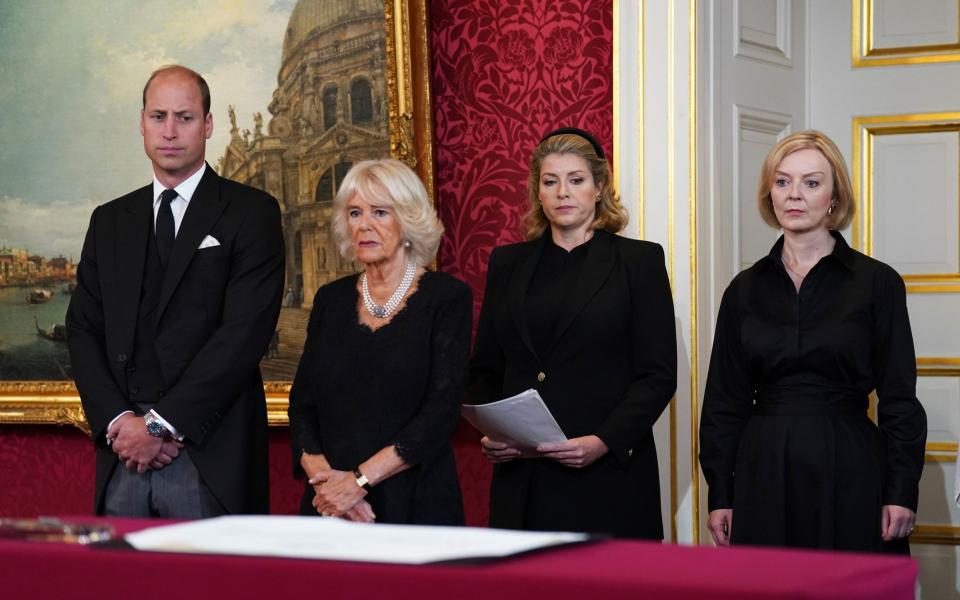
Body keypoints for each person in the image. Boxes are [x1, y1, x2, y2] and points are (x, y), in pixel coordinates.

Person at [66, 65, 285, 517]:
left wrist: (161, 426)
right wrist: (121, 423)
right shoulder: (108, 221)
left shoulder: (252, 212)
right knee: (116, 587)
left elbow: (243, 334)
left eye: (184, 117)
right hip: (122, 451)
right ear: (142, 124)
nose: (170, 131)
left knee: (209, 588)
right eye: (158, 116)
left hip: (208, 450)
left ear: (207, 125)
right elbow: (83, 330)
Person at [699, 130, 927, 553]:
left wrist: (901, 489)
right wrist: (720, 495)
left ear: (834, 196)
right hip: (762, 468)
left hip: (851, 463)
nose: (794, 195)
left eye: (811, 182)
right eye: (782, 182)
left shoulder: (877, 283)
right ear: (770, 193)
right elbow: (723, 403)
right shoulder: (743, 290)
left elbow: (899, 399)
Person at [468, 128, 677, 538]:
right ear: (538, 193)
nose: (563, 192)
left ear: (599, 188)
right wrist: (493, 433)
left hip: (608, 476)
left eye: (576, 180)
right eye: (550, 182)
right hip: (524, 479)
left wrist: (602, 441)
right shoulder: (508, 264)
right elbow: (485, 369)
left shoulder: (639, 262)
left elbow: (657, 375)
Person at [288, 158, 471, 524]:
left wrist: (358, 482)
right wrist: (329, 485)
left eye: (380, 212)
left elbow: (440, 413)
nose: (364, 225)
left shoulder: (447, 298)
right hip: (330, 506)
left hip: (415, 502)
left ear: (408, 220)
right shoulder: (330, 299)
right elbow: (302, 405)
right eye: (355, 213)